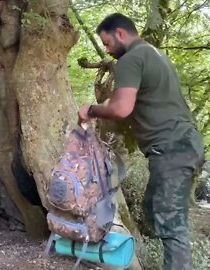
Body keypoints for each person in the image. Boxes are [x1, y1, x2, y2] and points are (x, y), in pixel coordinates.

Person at [77, 13, 205, 270]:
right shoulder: (157, 56)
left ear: (120, 34)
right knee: (153, 209)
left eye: (107, 43)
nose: (108, 50)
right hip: (185, 144)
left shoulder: (131, 58)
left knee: (170, 225)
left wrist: (92, 110)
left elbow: (122, 108)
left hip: (171, 148)